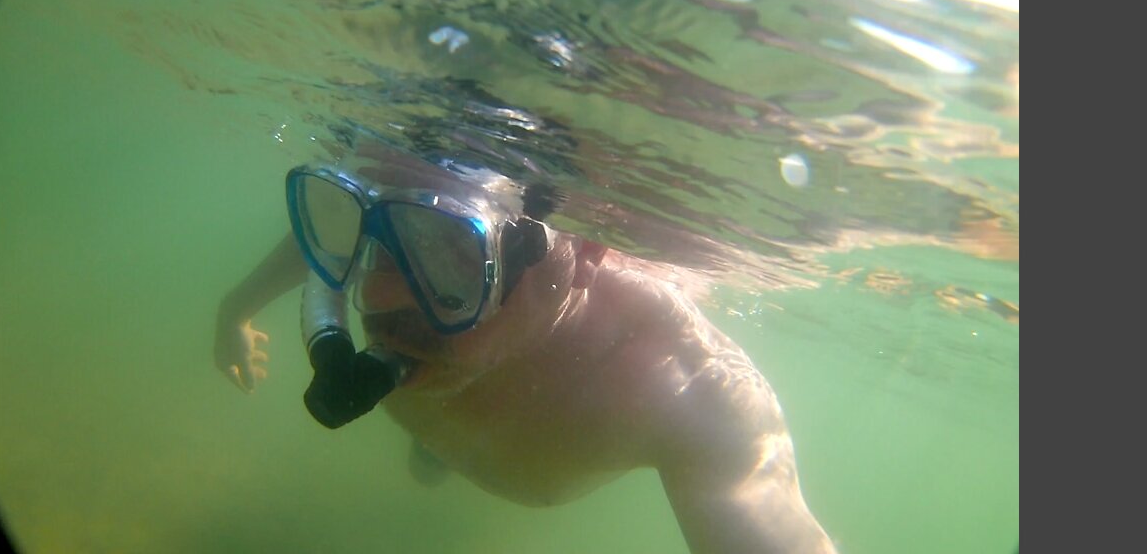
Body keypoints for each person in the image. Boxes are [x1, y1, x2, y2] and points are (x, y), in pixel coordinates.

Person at [214, 143, 838, 554]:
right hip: (454, 421)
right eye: (374, 243)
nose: (373, 297)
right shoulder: (405, 309)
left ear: (589, 249)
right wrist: (234, 309)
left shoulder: (679, 385)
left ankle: (432, 461)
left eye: (452, 253)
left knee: (430, 459)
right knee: (429, 442)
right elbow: (324, 246)